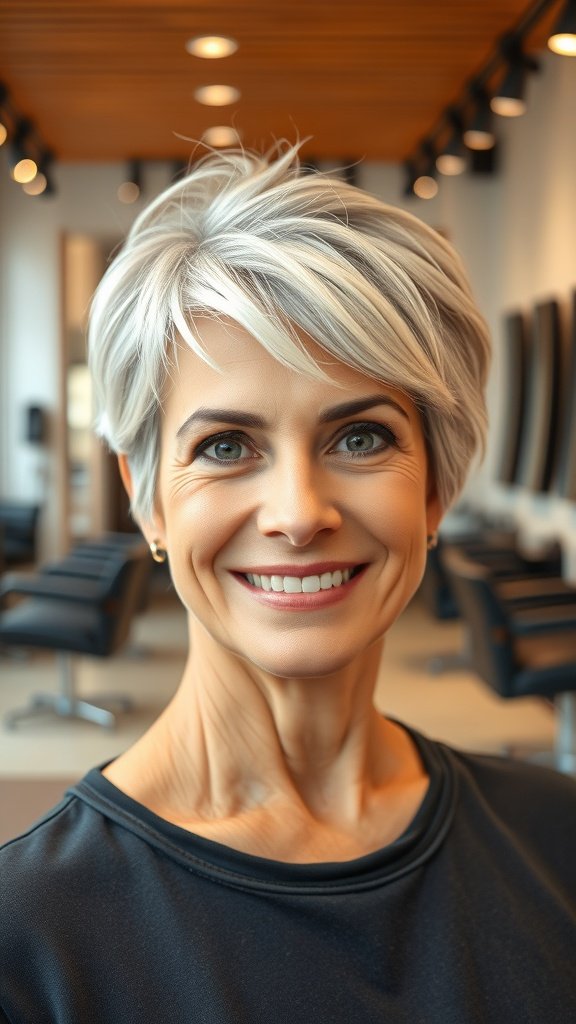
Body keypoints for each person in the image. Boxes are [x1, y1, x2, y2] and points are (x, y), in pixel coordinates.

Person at [1, 142, 575, 1024]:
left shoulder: (556, 838)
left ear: (436, 486)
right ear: (148, 498)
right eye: (225, 447)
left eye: (360, 438)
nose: (298, 513)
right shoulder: (27, 937)